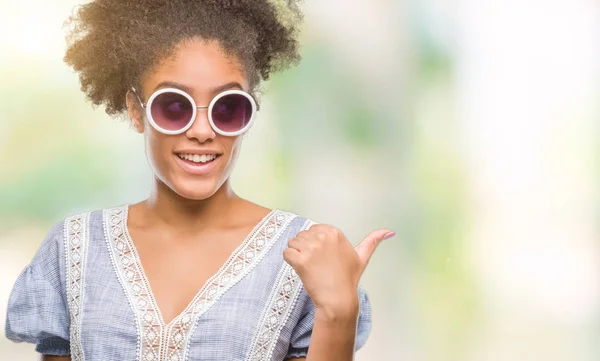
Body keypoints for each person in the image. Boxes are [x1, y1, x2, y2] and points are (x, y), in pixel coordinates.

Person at [5, 1, 395, 360]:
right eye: (174, 106)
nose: (203, 131)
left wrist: (338, 312)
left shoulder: (306, 256)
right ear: (136, 111)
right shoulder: (74, 249)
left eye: (228, 108)